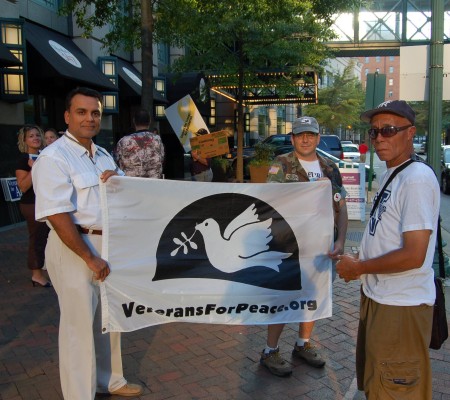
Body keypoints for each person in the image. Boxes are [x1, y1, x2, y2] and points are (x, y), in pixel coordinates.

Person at [32, 87, 143, 399]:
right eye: (81, 112)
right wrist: (88, 257)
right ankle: (80, 394)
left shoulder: (103, 154)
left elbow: (121, 200)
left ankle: (110, 380)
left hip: (108, 246)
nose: (90, 118)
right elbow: (57, 214)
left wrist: (119, 183)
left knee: (110, 320)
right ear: (67, 116)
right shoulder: (53, 158)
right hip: (75, 249)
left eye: (95, 112)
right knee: (78, 328)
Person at [336, 100, 440, 399]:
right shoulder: (392, 173)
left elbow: (414, 254)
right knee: (377, 383)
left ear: (410, 133)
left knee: (395, 388)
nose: (380, 137)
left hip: (401, 305)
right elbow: (386, 233)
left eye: (389, 130)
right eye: (374, 131)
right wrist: (360, 259)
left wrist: (360, 268)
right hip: (380, 297)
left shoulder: (416, 179)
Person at [260, 116, 348, 376]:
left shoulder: (330, 168)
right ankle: (269, 350)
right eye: (300, 135)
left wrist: (341, 239)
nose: (306, 139)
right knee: (284, 299)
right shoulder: (281, 165)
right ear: (293, 139)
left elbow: (341, 208)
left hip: (322, 248)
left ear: (318, 138)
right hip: (289, 246)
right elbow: (271, 205)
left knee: (312, 296)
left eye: (310, 134)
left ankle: (302, 344)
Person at [16, 125, 51, 288]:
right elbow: (23, 186)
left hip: (47, 202)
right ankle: (36, 275)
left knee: (49, 238)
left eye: (38, 135)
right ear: (24, 140)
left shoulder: (45, 156)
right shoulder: (23, 160)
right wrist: (34, 167)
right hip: (32, 204)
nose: (35, 138)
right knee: (37, 238)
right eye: (31, 136)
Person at [115, 109, 165, 178]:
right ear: (149, 121)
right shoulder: (157, 139)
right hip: (154, 184)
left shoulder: (123, 141)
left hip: (131, 184)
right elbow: (161, 159)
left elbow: (119, 163)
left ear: (134, 121)